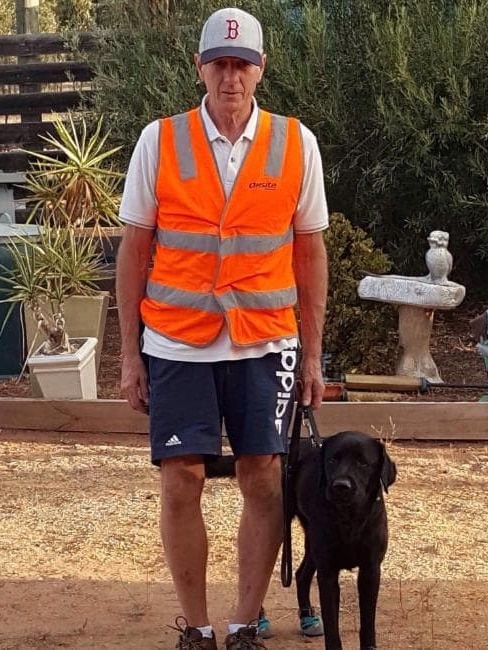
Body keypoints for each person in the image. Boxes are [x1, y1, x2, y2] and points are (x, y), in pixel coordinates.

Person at [116, 7, 328, 649]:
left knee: (263, 474)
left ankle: (243, 624)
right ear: (200, 68)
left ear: (261, 69)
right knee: (181, 477)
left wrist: (313, 354)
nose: (230, 76)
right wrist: (129, 353)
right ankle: (197, 628)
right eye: (219, 63)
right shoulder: (160, 140)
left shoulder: (297, 144)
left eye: (242, 64)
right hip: (178, 339)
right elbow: (133, 249)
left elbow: (310, 251)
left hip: (267, 340)